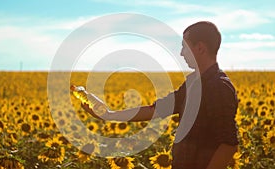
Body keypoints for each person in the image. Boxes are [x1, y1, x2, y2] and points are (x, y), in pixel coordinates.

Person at [81, 21, 239, 169]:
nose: (181, 53)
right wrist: (109, 114)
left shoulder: (218, 87)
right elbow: (157, 109)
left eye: (185, 47)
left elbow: (229, 145)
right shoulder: (193, 82)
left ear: (200, 48)